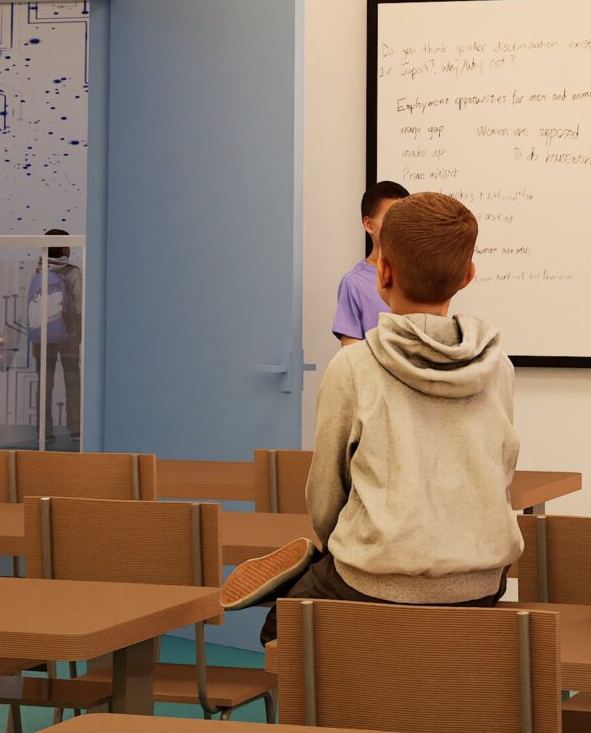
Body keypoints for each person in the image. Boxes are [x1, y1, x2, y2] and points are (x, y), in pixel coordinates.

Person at [221, 192, 523, 638]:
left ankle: (308, 574)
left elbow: (326, 494)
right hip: (480, 583)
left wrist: (343, 546)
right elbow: (502, 472)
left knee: (278, 632)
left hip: (372, 581)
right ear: (468, 276)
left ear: (382, 271)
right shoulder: (499, 369)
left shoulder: (353, 366)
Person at [23, 230, 82, 445]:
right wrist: (78, 334)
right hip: (69, 336)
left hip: (42, 337)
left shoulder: (39, 271)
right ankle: (76, 429)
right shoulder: (73, 272)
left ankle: (44, 431)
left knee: (44, 384)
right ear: (65, 248)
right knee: (72, 381)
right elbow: (79, 306)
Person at [334, 181, 408, 345]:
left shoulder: (418, 274)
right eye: (391, 218)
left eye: (405, 218)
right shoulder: (354, 283)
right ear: (369, 225)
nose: (400, 226)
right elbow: (350, 354)